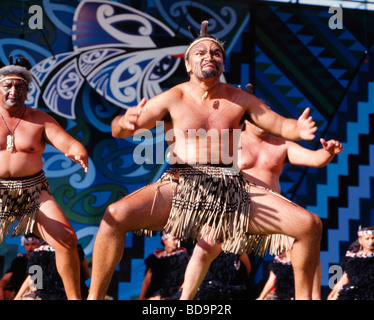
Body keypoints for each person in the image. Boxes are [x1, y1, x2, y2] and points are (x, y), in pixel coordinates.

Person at [88, 21, 322, 300]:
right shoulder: (172, 97)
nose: (209, 56)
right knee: (115, 216)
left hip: (231, 190)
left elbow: (281, 125)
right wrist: (124, 122)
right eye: (200, 53)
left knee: (309, 225)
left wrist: (299, 128)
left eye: (216, 53)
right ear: (188, 64)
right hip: (180, 185)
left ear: (223, 64)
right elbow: (120, 129)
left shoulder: (240, 99)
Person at [179, 85, 343, 300]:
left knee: (304, 240)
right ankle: (184, 300)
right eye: (260, 115)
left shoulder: (282, 145)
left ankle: (309, 298)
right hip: (234, 207)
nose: (266, 121)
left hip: (272, 210)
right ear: (246, 118)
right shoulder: (228, 141)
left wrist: (328, 152)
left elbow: (314, 159)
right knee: (204, 249)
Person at [0, 56, 89, 299]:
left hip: (32, 189)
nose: (14, 90)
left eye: (20, 86)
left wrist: (77, 151)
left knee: (67, 240)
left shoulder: (40, 120)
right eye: (8, 85)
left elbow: (67, 143)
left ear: (27, 91)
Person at [14, 243, 90, 300]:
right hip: (78, 295)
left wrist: (17, 298)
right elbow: (86, 275)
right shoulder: (74, 250)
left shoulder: (37, 254)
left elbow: (32, 281)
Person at [327, 226, 374, 300]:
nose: (371, 241)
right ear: (360, 240)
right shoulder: (352, 258)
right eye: (367, 239)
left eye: (373, 238)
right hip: (354, 294)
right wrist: (332, 294)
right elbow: (344, 278)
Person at [139, 232, 190, 300]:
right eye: (174, 239)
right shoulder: (155, 259)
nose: (177, 242)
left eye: (177, 239)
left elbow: (188, 278)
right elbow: (147, 280)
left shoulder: (184, 258)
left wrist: (179, 295)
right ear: (164, 240)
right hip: (157, 294)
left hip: (176, 294)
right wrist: (141, 298)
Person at [0, 233, 40, 299]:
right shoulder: (18, 261)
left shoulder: (41, 260)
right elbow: (5, 279)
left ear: (39, 245)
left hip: (30, 293)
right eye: (27, 244)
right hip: (13, 291)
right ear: (24, 245)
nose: (30, 247)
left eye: (33, 244)